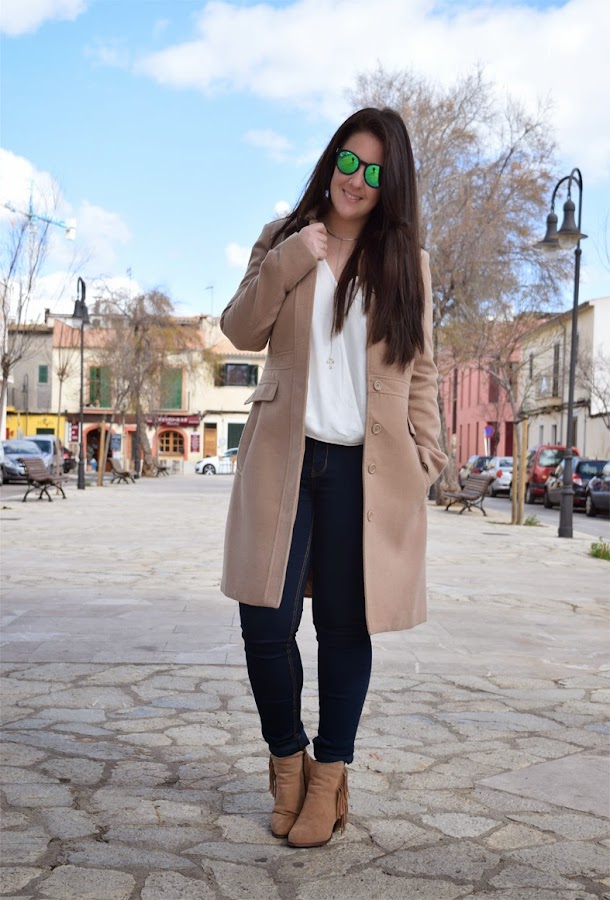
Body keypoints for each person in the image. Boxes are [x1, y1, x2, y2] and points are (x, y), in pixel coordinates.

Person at [219, 107, 448, 848]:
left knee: (345, 628)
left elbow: (421, 371)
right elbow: (240, 329)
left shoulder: (405, 263)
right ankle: (287, 762)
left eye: (375, 170)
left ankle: (328, 777)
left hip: (365, 470)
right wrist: (291, 258)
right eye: (349, 161)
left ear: (391, 184)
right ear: (331, 161)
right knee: (264, 622)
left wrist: (429, 456)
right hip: (283, 458)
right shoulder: (284, 237)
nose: (357, 179)